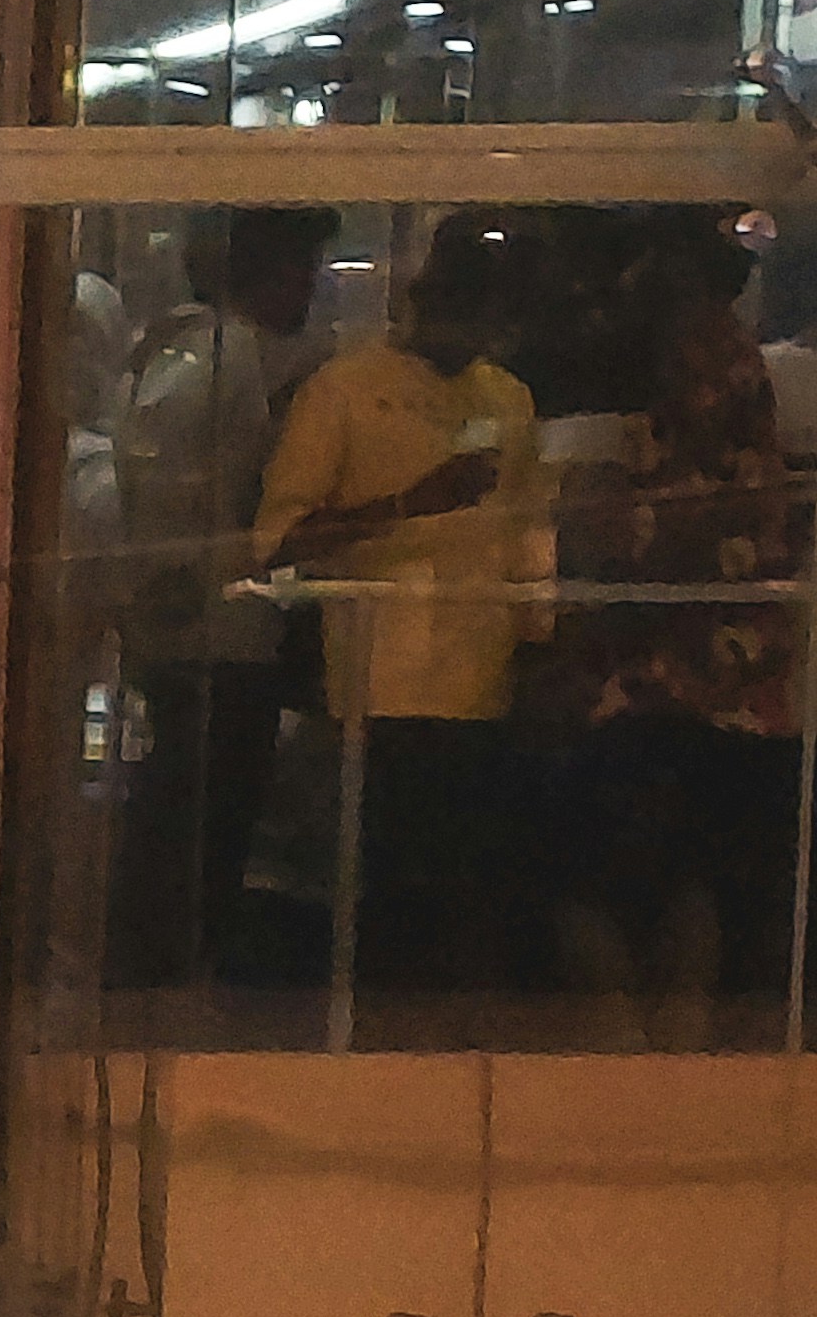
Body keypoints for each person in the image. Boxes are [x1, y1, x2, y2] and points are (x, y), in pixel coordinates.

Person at [254, 213, 547, 1024]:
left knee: (463, 898)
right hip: (369, 694)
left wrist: (540, 648)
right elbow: (278, 542)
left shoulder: (507, 397)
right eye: (468, 300)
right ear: (428, 296)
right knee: (372, 899)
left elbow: (529, 537)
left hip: (481, 693)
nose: (482, 323)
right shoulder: (343, 389)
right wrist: (410, 503)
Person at [543, 226, 803, 1032]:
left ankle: (668, 1054)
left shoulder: (744, 461)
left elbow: (635, 545)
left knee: (684, 889)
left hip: (705, 703)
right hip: (688, 701)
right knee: (664, 885)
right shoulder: (658, 442)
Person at [105, 212, 326, 1009]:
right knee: (201, 822)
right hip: (217, 633)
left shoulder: (164, 353)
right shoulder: (227, 361)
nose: (311, 288)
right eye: (301, 268)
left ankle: (157, 972)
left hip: (181, 628)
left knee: (173, 809)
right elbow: (186, 502)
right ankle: (171, 980)